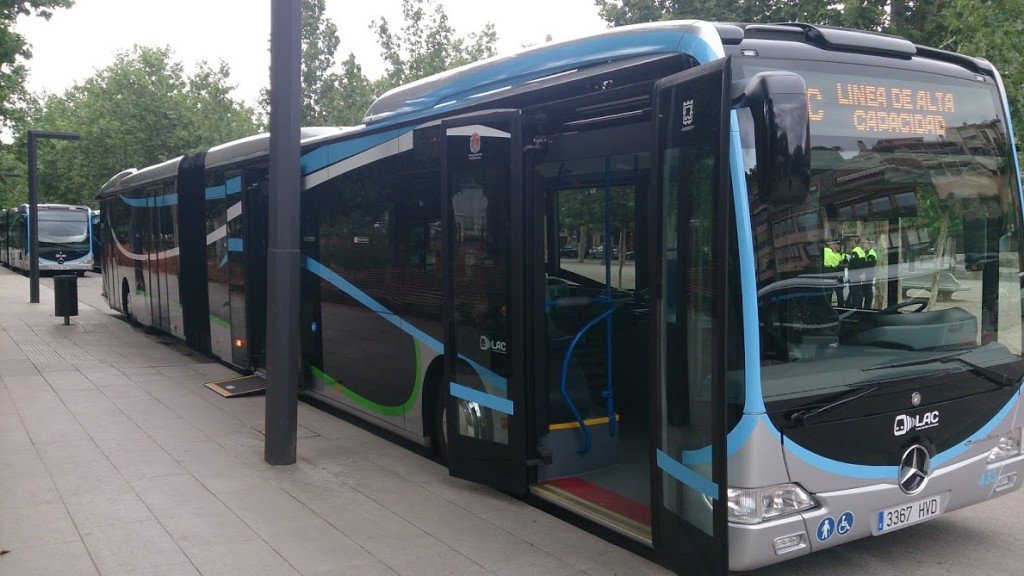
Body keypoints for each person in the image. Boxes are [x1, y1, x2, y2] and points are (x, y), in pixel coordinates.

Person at [822, 239, 846, 306]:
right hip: (830, 274)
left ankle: (828, 307)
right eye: (834, 244)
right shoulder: (830, 253)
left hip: (830, 275)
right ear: (829, 245)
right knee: (830, 292)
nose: (836, 246)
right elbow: (835, 263)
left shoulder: (825, 251)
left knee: (830, 293)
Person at [847, 236, 869, 308]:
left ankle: (856, 308)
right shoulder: (861, 251)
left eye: (851, 241)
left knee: (855, 293)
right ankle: (858, 307)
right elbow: (863, 264)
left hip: (854, 276)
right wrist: (863, 274)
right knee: (858, 292)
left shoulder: (855, 251)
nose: (850, 243)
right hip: (859, 275)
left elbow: (855, 264)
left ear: (854, 242)